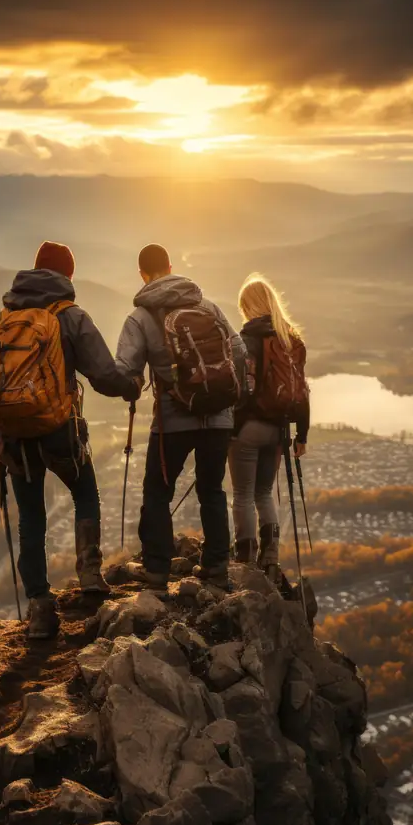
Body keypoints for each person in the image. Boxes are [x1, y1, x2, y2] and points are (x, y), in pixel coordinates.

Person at [0, 240, 141, 638]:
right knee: (84, 494)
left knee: (31, 518)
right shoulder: (69, 316)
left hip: (14, 437)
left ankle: (40, 609)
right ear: (67, 275)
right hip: (58, 430)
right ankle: (89, 575)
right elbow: (102, 374)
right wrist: (131, 386)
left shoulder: (3, 319)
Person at [115, 243, 246, 591]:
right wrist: (227, 396)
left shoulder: (140, 318)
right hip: (218, 417)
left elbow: (125, 370)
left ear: (143, 274)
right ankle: (216, 566)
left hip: (172, 421)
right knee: (212, 490)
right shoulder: (207, 306)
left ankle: (156, 571)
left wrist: (134, 384)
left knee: (158, 491)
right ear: (171, 267)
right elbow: (239, 350)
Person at [229, 273, 310, 573]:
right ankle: (271, 556)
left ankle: (246, 559)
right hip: (278, 431)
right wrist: (301, 434)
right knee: (264, 493)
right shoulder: (292, 341)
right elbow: (301, 392)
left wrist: (231, 426)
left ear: (248, 307)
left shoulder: (246, 340)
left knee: (242, 495)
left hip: (247, 429)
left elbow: (239, 389)